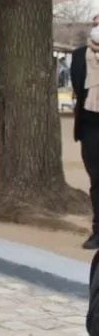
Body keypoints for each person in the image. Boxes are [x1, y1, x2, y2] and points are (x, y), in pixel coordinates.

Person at [72, 26, 99, 249]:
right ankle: (98, 230)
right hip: (90, 127)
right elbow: (78, 89)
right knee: (97, 181)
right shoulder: (79, 55)